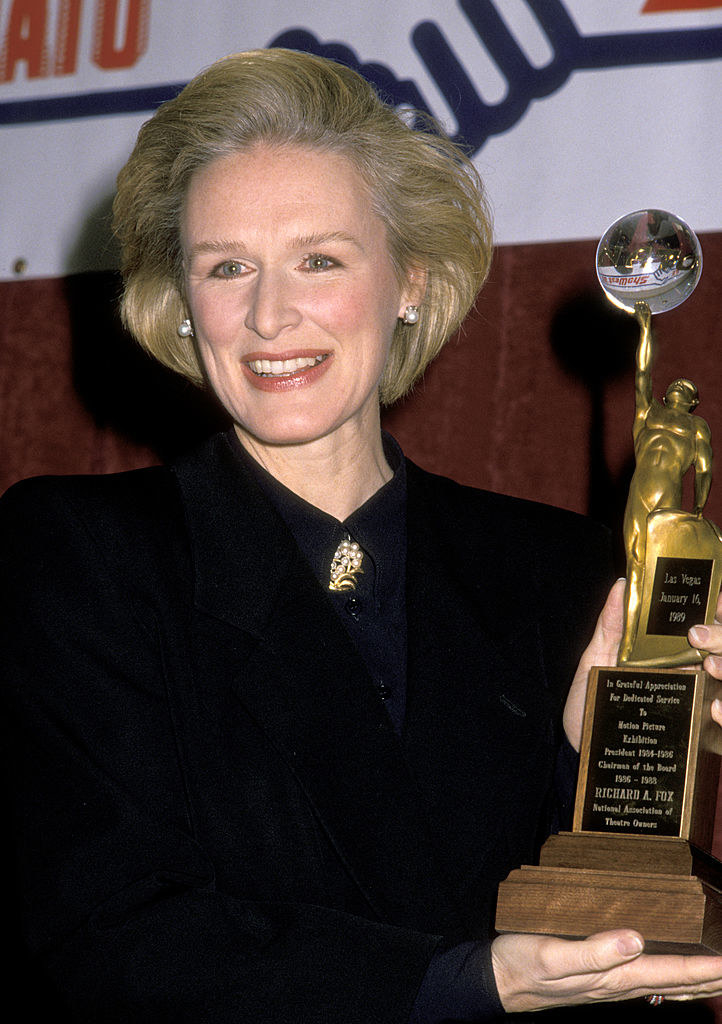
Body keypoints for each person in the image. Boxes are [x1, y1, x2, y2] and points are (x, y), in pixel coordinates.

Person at [3, 48, 722, 1022]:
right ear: (182, 305)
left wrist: (594, 769)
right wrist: (468, 981)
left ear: (409, 283)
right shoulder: (78, 557)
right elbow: (108, 933)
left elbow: (623, 917)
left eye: (319, 260)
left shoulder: (559, 570)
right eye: (226, 268)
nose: (267, 315)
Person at [620, 300, 714, 662]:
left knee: (663, 571)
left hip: (669, 495)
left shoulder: (696, 426)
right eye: (677, 382)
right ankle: (628, 649)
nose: (680, 384)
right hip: (638, 492)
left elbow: (705, 468)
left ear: (694, 402)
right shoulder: (648, 412)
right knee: (635, 566)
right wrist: (645, 329)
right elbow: (642, 372)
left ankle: (664, 647)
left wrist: (699, 507)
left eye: (687, 386)